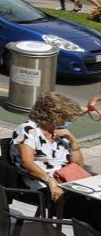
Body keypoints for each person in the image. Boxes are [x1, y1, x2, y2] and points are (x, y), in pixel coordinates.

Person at [10, 93, 101, 228]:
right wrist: (50, 181)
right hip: (41, 183)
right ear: (53, 115)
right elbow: (27, 162)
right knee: (94, 210)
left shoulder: (59, 132)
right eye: (65, 118)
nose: (66, 122)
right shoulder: (28, 129)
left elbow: (77, 165)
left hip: (67, 181)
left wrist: (73, 141)